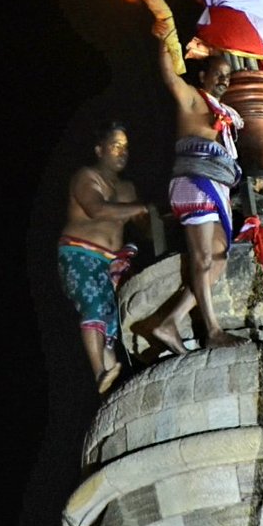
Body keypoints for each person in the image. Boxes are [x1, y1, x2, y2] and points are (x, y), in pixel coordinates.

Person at [139, 0, 247, 349]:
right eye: (217, 73)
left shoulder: (224, 114)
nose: (223, 80)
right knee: (202, 257)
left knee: (217, 259)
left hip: (216, 186)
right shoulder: (192, 100)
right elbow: (170, 75)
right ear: (202, 77)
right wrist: (162, 40)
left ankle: (169, 322)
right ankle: (212, 331)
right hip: (195, 181)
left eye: (227, 77)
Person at [57, 122, 184, 395]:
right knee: (93, 305)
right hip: (81, 252)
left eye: (125, 147)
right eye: (115, 146)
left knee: (112, 320)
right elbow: (96, 209)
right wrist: (142, 208)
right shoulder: (86, 176)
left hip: (112, 259)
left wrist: (164, 215)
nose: (122, 152)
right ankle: (99, 371)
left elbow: (143, 224)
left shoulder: (127, 188)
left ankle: (110, 384)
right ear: (99, 149)